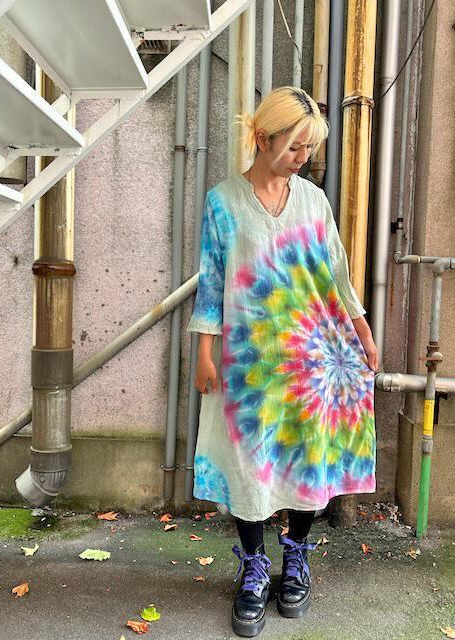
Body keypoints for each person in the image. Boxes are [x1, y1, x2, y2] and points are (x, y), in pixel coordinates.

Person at [187, 86, 378, 638]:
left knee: (303, 460)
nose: (303, 157)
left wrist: (362, 332)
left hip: (311, 359)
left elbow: (336, 273)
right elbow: (212, 282)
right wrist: (204, 350)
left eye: (309, 148)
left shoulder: (314, 201)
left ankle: (295, 555)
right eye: (295, 146)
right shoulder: (223, 202)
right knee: (248, 465)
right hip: (247, 366)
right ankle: (253, 567)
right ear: (263, 137)